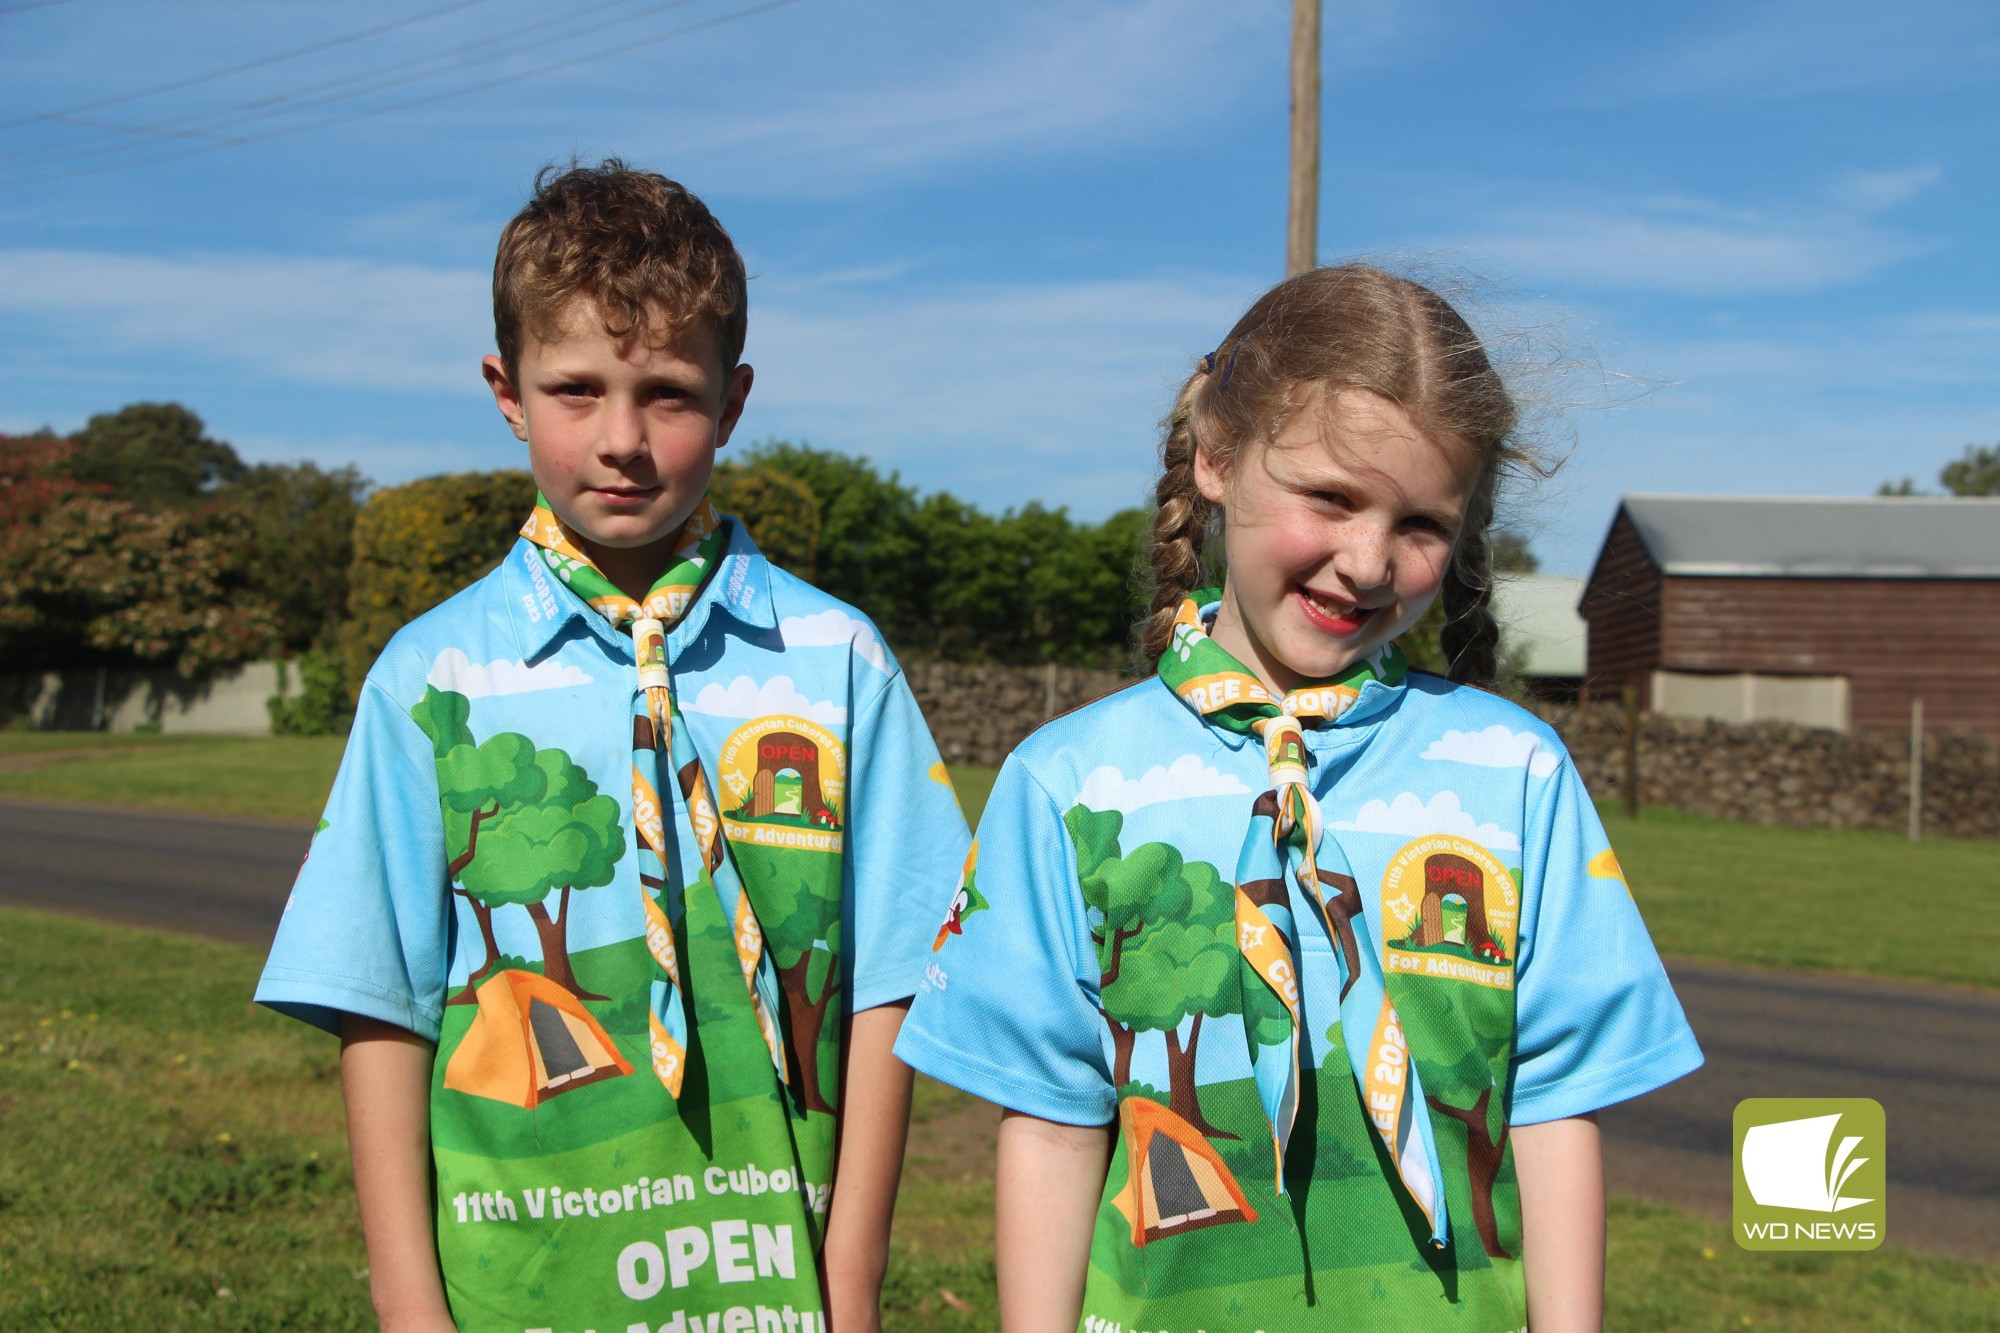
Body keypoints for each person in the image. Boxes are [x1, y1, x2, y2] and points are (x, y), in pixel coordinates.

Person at [896, 265, 1702, 1331]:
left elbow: (1552, 1112)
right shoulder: (1064, 781)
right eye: (1329, 496)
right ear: (1216, 458)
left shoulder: (1516, 776)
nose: (1365, 562)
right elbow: (1048, 1126)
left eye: (1419, 522)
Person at [257, 161, 970, 1333]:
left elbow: (893, 981)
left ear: (734, 400)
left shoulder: (837, 660)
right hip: (519, 1292)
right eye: (576, 389)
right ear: (507, 390)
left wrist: (853, 1277)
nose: (623, 439)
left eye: (669, 394)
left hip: (773, 1290)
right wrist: (407, 1305)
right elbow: (379, 1002)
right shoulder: (428, 680)